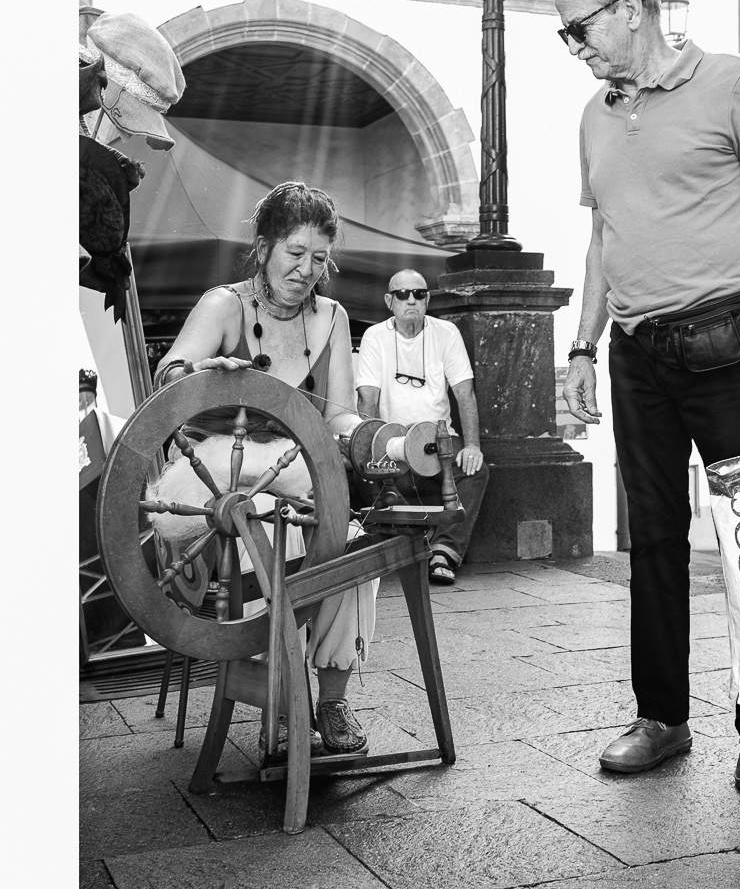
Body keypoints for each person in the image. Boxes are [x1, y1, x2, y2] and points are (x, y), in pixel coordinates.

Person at [555, 0, 740, 793]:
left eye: (578, 26)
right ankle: (662, 717)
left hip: (734, 345)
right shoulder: (594, 115)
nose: (573, 45)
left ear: (632, 8)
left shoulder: (737, 84)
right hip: (639, 356)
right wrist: (584, 347)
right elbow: (602, 240)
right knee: (654, 542)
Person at [148, 181, 371, 762]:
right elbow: (166, 379)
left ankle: (331, 698)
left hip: (290, 470)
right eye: (295, 253)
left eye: (319, 258)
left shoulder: (332, 317)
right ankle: (281, 687)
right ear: (266, 245)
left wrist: (379, 441)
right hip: (211, 484)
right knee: (276, 529)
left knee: (350, 543)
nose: (306, 269)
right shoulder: (226, 303)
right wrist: (203, 372)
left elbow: (339, 413)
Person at [355, 270, 488, 584]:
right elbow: (367, 399)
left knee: (475, 470)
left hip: (438, 439)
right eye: (402, 294)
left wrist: (472, 445)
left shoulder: (446, 332)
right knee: (362, 472)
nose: (410, 299)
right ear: (390, 301)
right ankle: (413, 544)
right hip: (394, 442)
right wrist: (373, 450)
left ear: (427, 299)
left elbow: (465, 392)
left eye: (418, 293)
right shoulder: (376, 336)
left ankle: (444, 550)